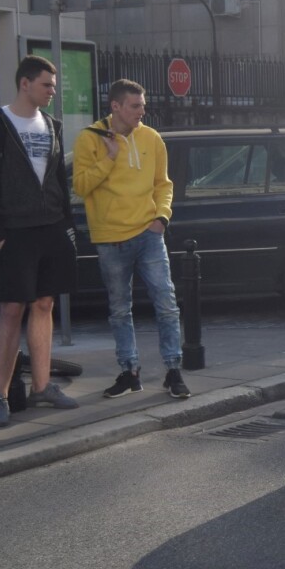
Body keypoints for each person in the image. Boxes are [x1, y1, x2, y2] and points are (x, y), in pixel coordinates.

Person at [0, 55, 80, 427]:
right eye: (46, 84)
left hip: (50, 228)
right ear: (25, 83)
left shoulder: (51, 125)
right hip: (13, 232)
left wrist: (66, 225)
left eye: (53, 84)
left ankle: (43, 387)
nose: (52, 91)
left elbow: (58, 181)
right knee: (11, 310)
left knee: (44, 305)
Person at [73, 79, 191, 399]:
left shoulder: (152, 138)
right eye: (135, 106)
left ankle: (173, 370)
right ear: (116, 107)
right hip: (110, 238)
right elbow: (81, 186)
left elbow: (163, 184)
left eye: (143, 105)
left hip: (148, 233)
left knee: (166, 303)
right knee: (119, 310)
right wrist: (109, 157)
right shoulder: (90, 139)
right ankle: (129, 372)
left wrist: (161, 218)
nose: (142, 111)